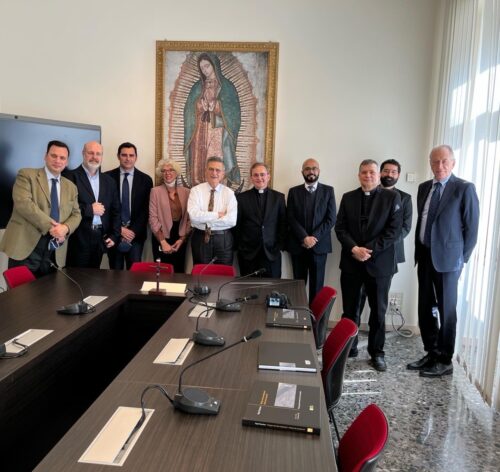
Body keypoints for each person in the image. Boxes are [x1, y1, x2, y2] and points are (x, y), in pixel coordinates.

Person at [408, 145, 479, 377]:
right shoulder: (424, 188)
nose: (439, 166)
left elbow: (472, 229)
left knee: (447, 310)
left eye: (444, 161)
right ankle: (431, 352)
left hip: (449, 262)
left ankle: (445, 359)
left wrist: (461, 260)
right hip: (425, 256)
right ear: (430, 163)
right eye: (435, 161)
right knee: (425, 306)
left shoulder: (464, 188)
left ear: (453, 163)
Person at [335, 160, 402, 372]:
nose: (368, 175)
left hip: (380, 264)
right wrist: (354, 249)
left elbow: (393, 231)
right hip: (352, 262)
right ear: (359, 175)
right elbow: (340, 228)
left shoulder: (392, 198)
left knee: (378, 312)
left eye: (372, 172)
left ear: (378, 175)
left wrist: (367, 250)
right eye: (364, 172)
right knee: (350, 310)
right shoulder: (348, 197)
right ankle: (349, 347)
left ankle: (377, 353)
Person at [0, 140, 81, 277]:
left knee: (47, 290)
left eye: (62, 158)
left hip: (52, 251)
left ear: (66, 162)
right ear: (45, 156)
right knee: (21, 290)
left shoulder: (71, 187)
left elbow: (76, 214)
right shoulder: (26, 175)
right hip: (26, 247)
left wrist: (65, 228)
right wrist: (53, 227)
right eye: (53, 155)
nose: (58, 160)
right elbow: (23, 204)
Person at [354, 158, 413, 318]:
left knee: (379, 302)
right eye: (386, 171)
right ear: (380, 173)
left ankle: (376, 333)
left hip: (387, 254)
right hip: (359, 254)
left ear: (398, 175)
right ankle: (353, 330)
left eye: (393, 172)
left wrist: (380, 245)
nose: (389, 174)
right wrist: (361, 249)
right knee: (358, 297)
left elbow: (404, 228)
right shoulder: (364, 192)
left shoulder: (404, 198)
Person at [184, 53, 241, 186]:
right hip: (199, 129)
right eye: (202, 68)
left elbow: (234, 111)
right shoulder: (197, 87)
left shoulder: (227, 86)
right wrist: (199, 105)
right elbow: (188, 109)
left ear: (214, 65)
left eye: (207, 66)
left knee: (216, 156)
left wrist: (216, 106)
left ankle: (219, 186)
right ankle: (198, 186)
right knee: (199, 158)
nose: (204, 70)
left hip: (217, 130)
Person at [287, 158, 336, 302]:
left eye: (314, 168)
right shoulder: (293, 191)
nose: (311, 171)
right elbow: (290, 217)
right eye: (307, 169)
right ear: (302, 172)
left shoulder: (328, 191)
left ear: (319, 171)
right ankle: (299, 314)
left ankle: (314, 316)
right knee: (298, 287)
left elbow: (331, 219)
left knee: (317, 288)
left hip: (319, 247)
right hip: (298, 245)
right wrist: (304, 237)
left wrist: (314, 238)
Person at [65, 141, 121, 268]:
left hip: (100, 239)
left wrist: (114, 235)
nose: (94, 157)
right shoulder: (70, 177)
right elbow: (66, 208)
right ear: (83, 154)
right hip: (79, 238)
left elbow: (116, 211)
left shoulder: (109, 181)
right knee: (76, 277)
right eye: (90, 153)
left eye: (98, 154)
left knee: (94, 277)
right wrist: (90, 209)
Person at [104, 142, 153, 270]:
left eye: (131, 155)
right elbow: (105, 208)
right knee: (115, 272)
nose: (128, 158)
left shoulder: (146, 180)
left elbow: (146, 210)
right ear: (118, 156)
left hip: (135, 236)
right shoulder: (106, 178)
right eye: (124, 155)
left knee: (135, 273)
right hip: (114, 234)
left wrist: (132, 231)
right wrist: (119, 229)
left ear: (136, 157)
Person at [235, 162, 286, 277]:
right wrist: (241, 247)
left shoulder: (279, 198)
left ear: (268, 176)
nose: (259, 178)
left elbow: (283, 224)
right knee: (248, 286)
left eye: (262, 174)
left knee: (273, 286)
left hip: (271, 253)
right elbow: (237, 225)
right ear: (251, 178)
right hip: (248, 254)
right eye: (256, 175)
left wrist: (278, 246)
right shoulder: (241, 198)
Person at [187, 156, 237, 265]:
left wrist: (204, 219)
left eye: (218, 170)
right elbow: (193, 216)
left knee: (223, 272)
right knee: (201, 272)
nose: (214, 173)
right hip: (200, 237)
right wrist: (217, 215)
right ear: (205, 171)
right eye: (211, 169)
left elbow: (232, 220)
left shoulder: (229, 193)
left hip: (223, 239)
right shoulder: (195, 191)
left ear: (223, 174)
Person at [149, 159, 191, 273]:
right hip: (161, 235)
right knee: (162, 271)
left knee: (179, 271)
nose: (167, 173)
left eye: (171, 170)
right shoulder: (155, 191)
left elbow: (189, 219)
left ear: (176, 172)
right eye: (164, 171)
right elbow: (153, 218)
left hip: (180, 236)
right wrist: (162, 241)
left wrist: (182, 239)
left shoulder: (187, 192)